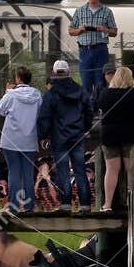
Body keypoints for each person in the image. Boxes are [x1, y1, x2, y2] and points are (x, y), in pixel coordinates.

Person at [37, 59, 91, 208]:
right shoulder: (80, 91)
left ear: (54, 73)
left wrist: (43, 135)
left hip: (59, 137)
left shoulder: (51, 94)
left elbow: (45, 116)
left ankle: (65, 203)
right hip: (77, 136)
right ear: (68, 72)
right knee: (80, 170)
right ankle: (85, 204)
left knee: (63, 171)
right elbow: (89, 111)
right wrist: (85, 128)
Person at [96, 66, 134, 212]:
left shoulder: (105, 94)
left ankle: (107, 204)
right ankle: (132, 203)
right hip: (131, 135)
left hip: (110, 135)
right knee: (130, 170)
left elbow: (99, 107)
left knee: (111, 170)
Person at [0, 65, 42, 212]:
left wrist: (7, 91)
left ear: (18, 79)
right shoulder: (37, 95)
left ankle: (14, 205)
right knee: (28, 173)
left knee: (14, 172)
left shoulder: (11, 95)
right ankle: (29, 205)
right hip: (29, 139)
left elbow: (1, 110)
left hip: (11, 139)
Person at [67, 0, 117, 99]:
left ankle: (100, 106)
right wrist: (79, 30)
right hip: (85, 50)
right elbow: (70, 30)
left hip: (100, 49)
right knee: (86, 81)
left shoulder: (107, 11)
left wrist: (104, 29)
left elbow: (114, 32)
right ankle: (87, 109)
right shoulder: (80, 11)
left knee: (101, 81)